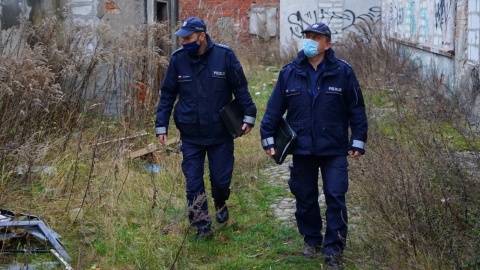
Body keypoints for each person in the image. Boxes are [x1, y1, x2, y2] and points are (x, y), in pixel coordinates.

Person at [260, 22, 368, 267]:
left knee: (335, 195)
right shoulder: (290, 72)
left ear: (327, 44)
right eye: (307, 36)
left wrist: (358, 141)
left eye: (315, 37)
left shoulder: (343, 72)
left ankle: (333, 249)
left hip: (334, 148)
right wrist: (267, 139)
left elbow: (356, 109)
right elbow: (274, 109)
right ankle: (311, 239)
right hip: (302, 149)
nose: (309, 41)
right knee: (305, 197)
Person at [154, 17, 257, 239]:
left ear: (201, 36)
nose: (184, 42)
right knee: (193, 184)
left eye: (188, 38)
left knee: (221, 181)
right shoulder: (178, 59)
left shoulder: (225, 55)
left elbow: (240, 88)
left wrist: (249, 115)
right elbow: (168, 95)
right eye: (181, 38)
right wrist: (161, 125)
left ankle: (220, 201)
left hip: (220, 133)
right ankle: (202, 226)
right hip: (191, 134)